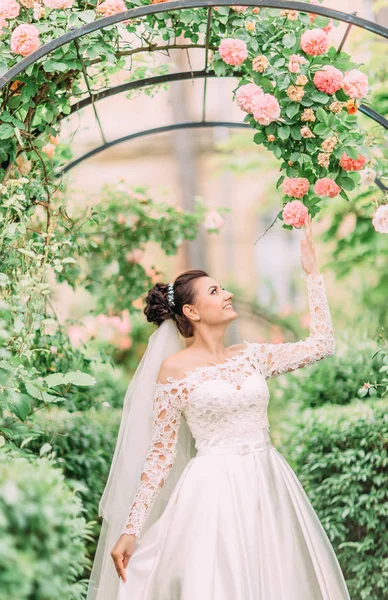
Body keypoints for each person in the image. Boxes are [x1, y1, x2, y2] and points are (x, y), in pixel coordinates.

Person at [87, 215, 351, 599]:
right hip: (211, 492)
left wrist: (313, 274)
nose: (226, 294)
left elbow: (322, 344)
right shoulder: (172, 371)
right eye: (214, 291)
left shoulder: (251, 356)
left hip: (268, 482)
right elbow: (160, 457)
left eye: (223, 288)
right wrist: (131, 530)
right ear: (191, 312)